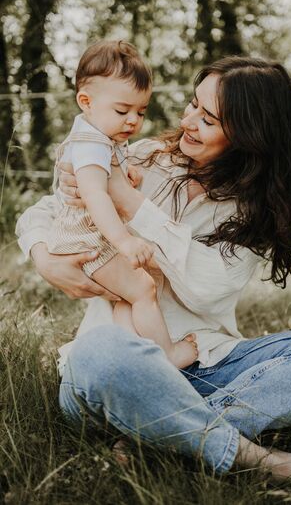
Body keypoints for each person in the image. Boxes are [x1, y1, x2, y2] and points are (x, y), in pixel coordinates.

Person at [16, 55, 291, 480]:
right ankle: (268, 462)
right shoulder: (140, 156)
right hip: (123, 368)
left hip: (207, 363)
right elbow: (46, 211)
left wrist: (130, 203)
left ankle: (165, 434)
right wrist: (43, 258)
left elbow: (206, 289)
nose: (189, 121)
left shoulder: (255, 210)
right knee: (100, 354)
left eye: (209, 119)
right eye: (193, 105)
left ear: (250, 136)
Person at [46, 39, 198, 369]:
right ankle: (167, 356)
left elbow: (108, 173)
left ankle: (136, 357)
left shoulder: (102, 136)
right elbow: (96, 195)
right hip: (87, 241)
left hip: (88, 238)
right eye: (122, 110)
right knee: (143, 288)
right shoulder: (90, 145)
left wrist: (123, 169)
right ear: (86, 101)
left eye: (140, 112)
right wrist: (124, 241)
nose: (132, 120)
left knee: (130, 296)